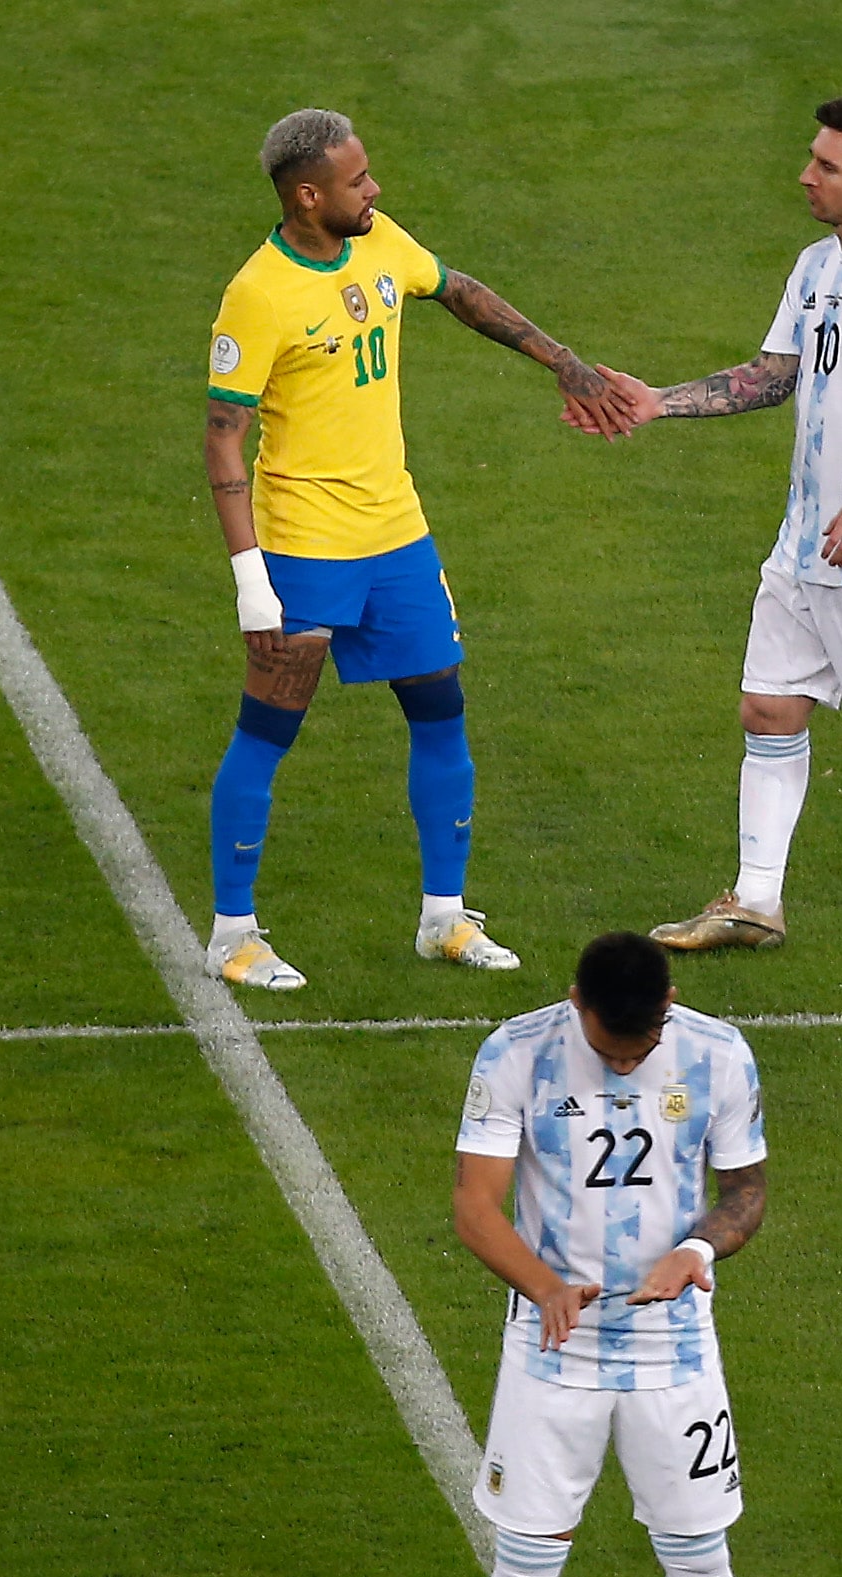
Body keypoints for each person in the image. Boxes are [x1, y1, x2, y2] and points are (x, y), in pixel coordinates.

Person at [201, 109, 639, 990]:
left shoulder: (376, 241)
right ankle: (232, 936)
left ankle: (444, 918)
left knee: (441, 709)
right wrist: (253, 582)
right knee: (270, 729)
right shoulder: (258, 294)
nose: (376, 190)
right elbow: (222, 439)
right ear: (308, 194)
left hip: (396, 532)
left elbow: (455, 287)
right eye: (359, 181)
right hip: (307, 545)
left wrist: (562, 360)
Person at [595, 97, 842, 963]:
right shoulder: (814, 267)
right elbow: (773, 377)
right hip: (803, 544)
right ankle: (756, 901)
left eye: (827, 165)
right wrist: (661, 402)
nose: (806, 175)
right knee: (768, 708)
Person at [446, 932, 792, 1577]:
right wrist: (545, 1285)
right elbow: (475, 1205)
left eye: (640, 1048)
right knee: (526, 1559)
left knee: (699, 1554)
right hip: (553, 1355)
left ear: (670, 1001)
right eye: (610, 1049)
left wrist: (698, 1248)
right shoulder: (515, 1053)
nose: (627, 1061)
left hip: (673, 1354)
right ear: (576, 1004)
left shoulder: (717, 1053)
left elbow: (747, 1189)